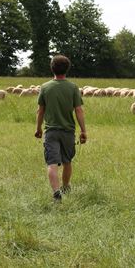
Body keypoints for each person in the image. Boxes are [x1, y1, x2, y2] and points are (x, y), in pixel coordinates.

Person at [35, 55, 87, 202]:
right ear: (67, 69)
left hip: (51, 131)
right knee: (67, 161)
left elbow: (40, 111)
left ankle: (56, 192)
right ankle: (65, 186)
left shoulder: (45, 87)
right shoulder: (73, 87)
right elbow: (79, 111)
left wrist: (38, 128)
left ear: (52, 68)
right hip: (68, 131)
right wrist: (83, 131)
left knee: (52, 163)